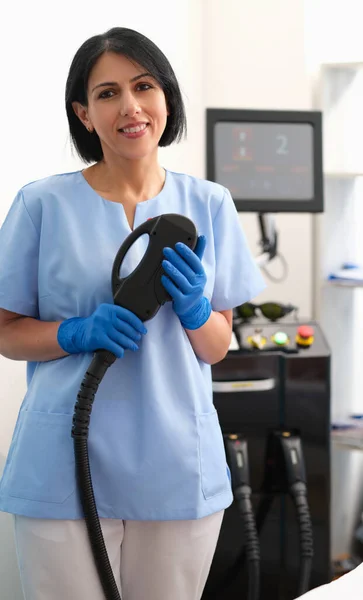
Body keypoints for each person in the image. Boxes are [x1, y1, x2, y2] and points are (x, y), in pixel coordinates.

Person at [0, 27, 266, 600]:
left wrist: (196, 310)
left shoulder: (209, 203)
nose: (130, 107)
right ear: (84, 113)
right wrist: (75, 332)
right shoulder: (41, 203)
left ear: (165, 97)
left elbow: (218, 346)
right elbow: (7, 333)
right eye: (107, 93)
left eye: (144, 86)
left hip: (175, 463)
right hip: (62, 464)